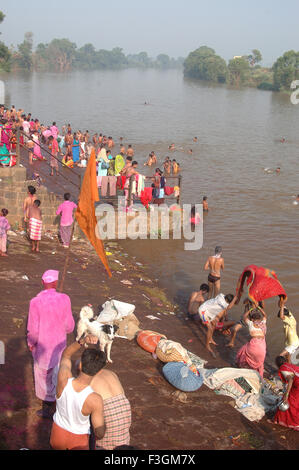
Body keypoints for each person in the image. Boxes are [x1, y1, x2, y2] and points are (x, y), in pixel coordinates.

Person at [27, 270, 75, 418]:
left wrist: (31, 342)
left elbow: (32, 329)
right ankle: (57, 404)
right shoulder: (65, 299)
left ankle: (48, 407)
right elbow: (70, 327)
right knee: (57, 374)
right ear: (55, 283)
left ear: (43, 283)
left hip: (42, 347)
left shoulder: (35, 302)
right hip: (59, 346)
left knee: (43, 376)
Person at [50, 335, 106, 450]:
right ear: (99, 372)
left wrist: (83, 341)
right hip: (78, 441)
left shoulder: (63, 379)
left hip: (57, 434)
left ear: (80, 365)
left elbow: (66, 354)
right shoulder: (95, 399)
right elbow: (99, 433)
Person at [91, 360, 132, 450]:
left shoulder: (89, 381)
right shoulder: (111, 373)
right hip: (123, 430)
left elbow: (100, 433)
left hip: (107, 439)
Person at [236, 305, 267, 378]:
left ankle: (242, 368)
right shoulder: (263, 323)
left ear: (252, 319)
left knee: (243, 351)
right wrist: (258, 307)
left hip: (252, 346)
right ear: (260, 319)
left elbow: (244, 317)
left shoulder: (251, 324)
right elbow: (265, 315)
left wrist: (251, 309)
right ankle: (259, 375)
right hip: (262, 348)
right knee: (260, 363)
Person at [273, 356, 299, 431]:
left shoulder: (283, 368)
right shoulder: (289, 365)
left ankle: (292, 423)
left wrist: (286, 395)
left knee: (290, 402)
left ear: (277, 364)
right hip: (296, 385)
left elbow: (290, 380)